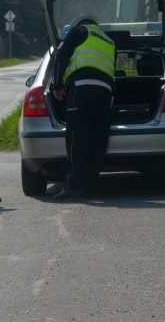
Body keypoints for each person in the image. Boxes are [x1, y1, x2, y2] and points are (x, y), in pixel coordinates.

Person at [50, 15, 116, 201]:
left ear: (79, 23)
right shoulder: (109, 41)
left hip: (82, 87)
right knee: (97, 140)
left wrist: (57, 84)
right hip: (105, 92)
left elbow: (61, 56)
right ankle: (90, 188)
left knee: (76, 137)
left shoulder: (78, 31)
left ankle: (73, 187)